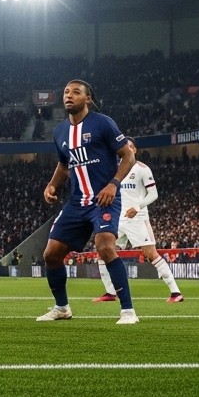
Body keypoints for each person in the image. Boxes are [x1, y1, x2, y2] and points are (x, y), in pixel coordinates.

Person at [36, 80, 138, 325]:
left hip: (103, 199)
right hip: (76, 202)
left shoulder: (102, 123)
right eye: (66, 92)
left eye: (76, 92)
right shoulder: (60, 131)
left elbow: (128, 155)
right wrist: (52, 185)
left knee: (104, 247)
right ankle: (62, 308)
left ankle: (128, 311)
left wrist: (113, 183)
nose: (69, 96)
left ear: (88, 99)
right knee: (51, 254)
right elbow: (63, 164)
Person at [90, 157, 184, 304]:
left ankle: (176, 292)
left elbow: (153, 194)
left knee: (150, 254)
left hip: (137, 218)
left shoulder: (142, 169)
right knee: (103, 251)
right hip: (118, 218)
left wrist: (138, 208)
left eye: (130, 146)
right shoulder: (115, 169)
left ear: (134, 150)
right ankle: (110, 292)